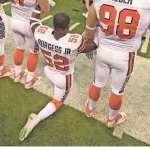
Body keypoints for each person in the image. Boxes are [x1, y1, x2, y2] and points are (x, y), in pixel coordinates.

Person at [84, 0, 150, 127]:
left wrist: (89, 37)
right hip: (125, 56)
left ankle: (89, 108)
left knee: (97, 82)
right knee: (117, 90)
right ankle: (111, 119)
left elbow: (92, 15)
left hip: (103, 49)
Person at [19, 9, 97, 141]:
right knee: (57, 101)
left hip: (48, 70)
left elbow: (32, 21)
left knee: (56, 87)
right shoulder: (75, 41)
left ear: (53, 24)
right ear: (67, 26)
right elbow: (94, 44)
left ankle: (37, 118)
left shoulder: (41, 33)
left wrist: (38, 6)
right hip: (63, 78)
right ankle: (37, 118)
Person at [3, 0, 50, 89]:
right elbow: (45, 9)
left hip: (14, 19)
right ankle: (30, 80)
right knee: (34, 52)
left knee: (19, 47)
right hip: (30, 22)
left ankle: (17, 73)